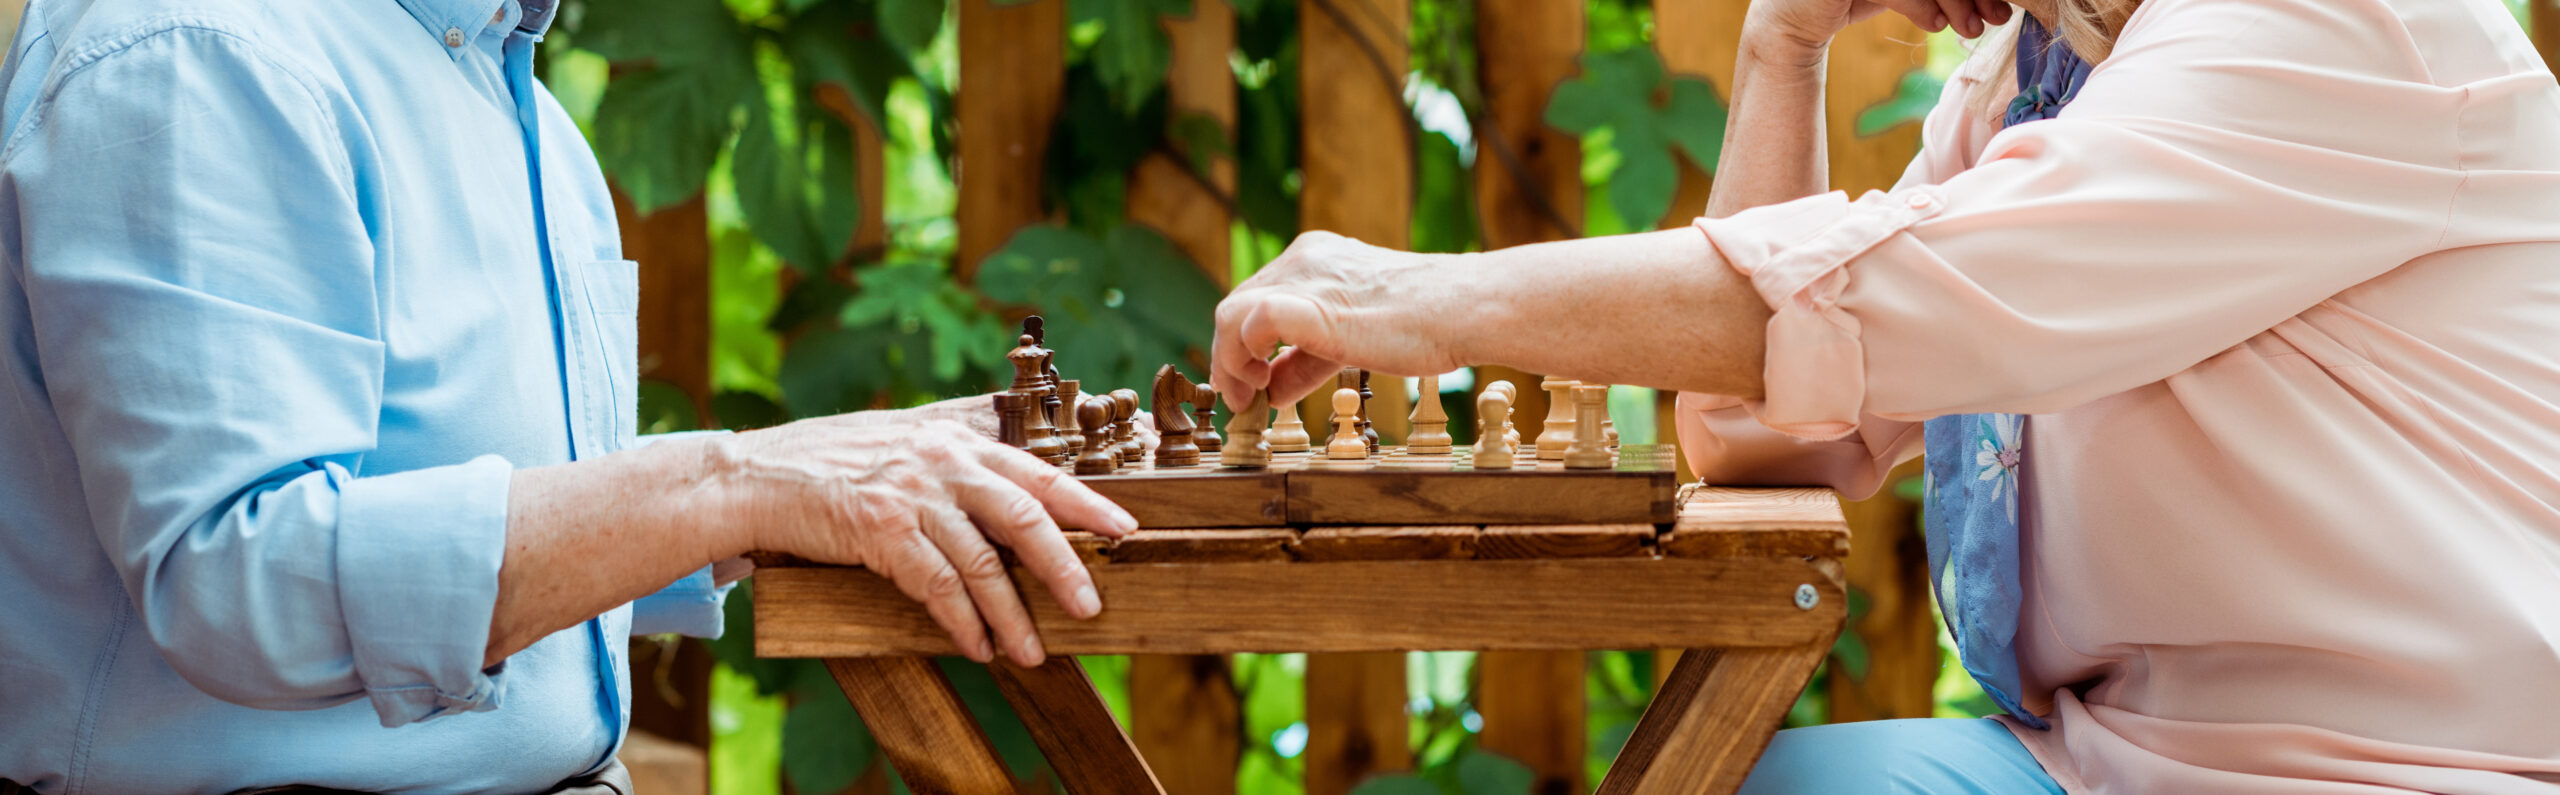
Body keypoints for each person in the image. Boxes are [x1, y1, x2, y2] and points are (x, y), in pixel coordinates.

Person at [1214, 0, 2560, 790]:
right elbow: (1769, 430)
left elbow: (1884, 298)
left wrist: (1401, 299)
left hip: (2406, 773)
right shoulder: (2037, 77)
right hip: (2102, 763)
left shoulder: (2334, 26)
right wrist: (1782, 44)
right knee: (1717, 775)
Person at [0, 0, 1138, 792]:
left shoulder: (511, 99)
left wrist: (807, 476)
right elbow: (242, 578)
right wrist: (733, 484)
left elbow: (506, 514)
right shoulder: (202, 49)